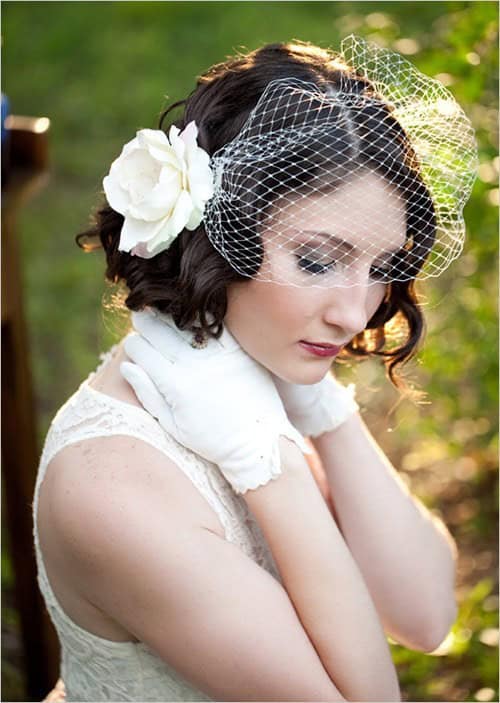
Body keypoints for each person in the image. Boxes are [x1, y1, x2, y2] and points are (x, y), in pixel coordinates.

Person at [34, 36, 477, 702]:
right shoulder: (112, 489)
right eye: (319, 260)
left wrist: (323, 409)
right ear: (218, 232)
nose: (356, 313)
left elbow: (426, 614)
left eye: (382, 265)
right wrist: (266, 462)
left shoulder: (254, 368)